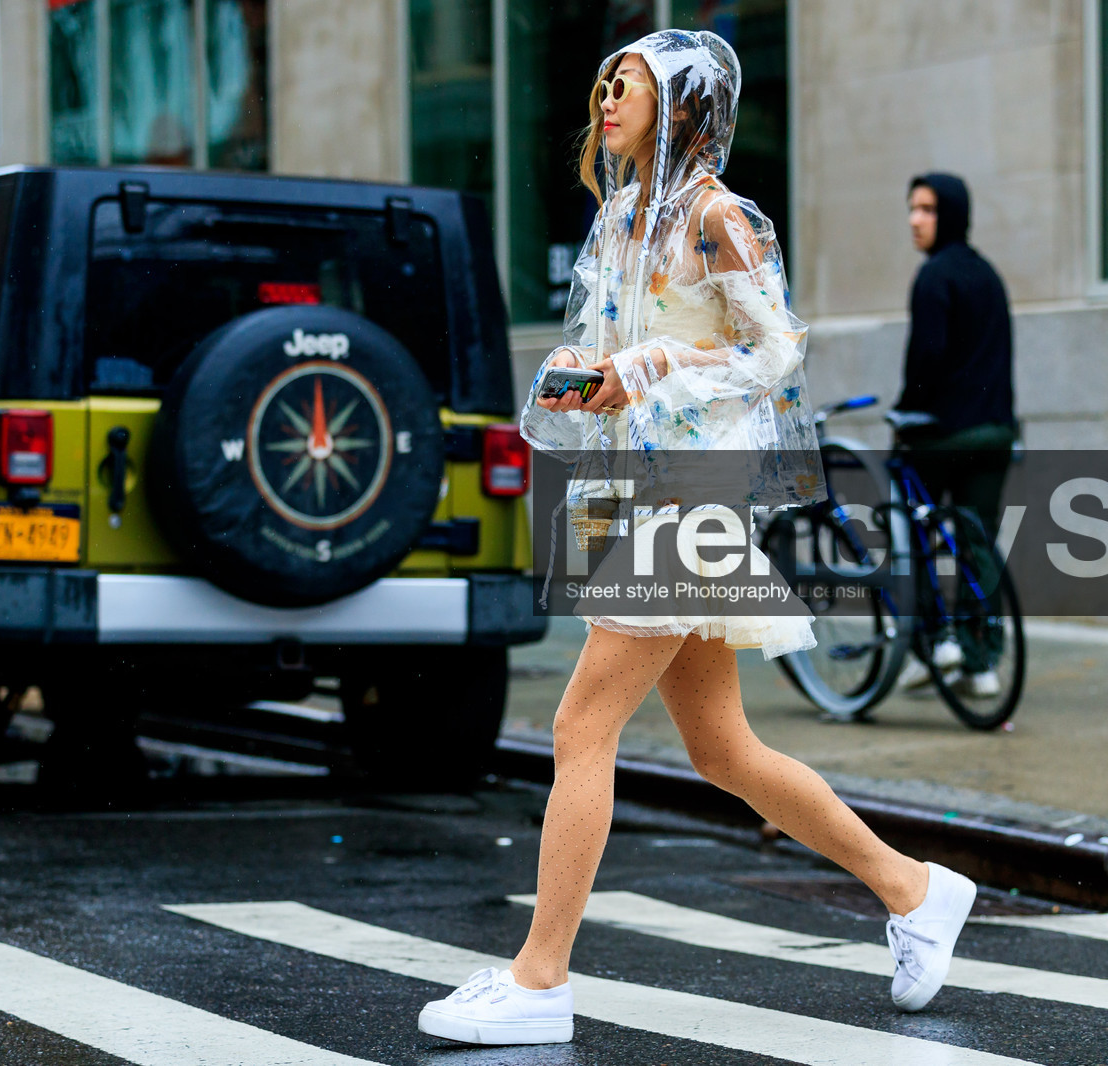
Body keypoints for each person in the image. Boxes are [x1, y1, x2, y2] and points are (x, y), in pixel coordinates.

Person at [414, 31, 979, 1048]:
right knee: (722, 749)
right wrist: (598, 369)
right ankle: (917, 889)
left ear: (680, 103)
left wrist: (655, 362)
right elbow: (643, 352)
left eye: (625, 85)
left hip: (696, 501)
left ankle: (540, 980)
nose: (605, 101)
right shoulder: (629, 216)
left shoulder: (716, 217)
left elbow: (774, 350)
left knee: (578, 728)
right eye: (602, 86)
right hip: (650, 491)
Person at [894, 173, 1019, 696]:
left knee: (911, 531)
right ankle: (982, 663)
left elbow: (926, 358)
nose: (915, 219)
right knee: (978, 543)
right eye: (912, 208)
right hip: (993, 435)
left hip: (944, 434)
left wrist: (907, 410)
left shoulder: (934, 277)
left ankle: (932, 644)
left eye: (927, 209)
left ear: (951, 214)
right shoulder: (987, 274)